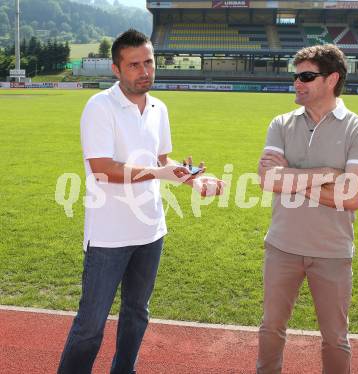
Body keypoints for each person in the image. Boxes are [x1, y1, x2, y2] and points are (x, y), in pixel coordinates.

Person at [58, 29, 223, 374]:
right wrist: (158, 173)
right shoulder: (100, 106)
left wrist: (193, 178)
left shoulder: (159, 108)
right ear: (116, 70)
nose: (144, 70)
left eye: (148, 62)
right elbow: (103, 169)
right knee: (91, 326)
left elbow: (162, 160)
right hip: (108, 236)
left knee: (137, 314)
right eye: (134, 65)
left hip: (151, 231)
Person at [257, 44, 358, 374]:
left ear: (332, 79)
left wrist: (291, 177)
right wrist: (325, 175)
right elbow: (267, 180)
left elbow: (353, 198)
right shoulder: (281, 123)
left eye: (306, 76)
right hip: (282, 246)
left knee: (335, 338)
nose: (297, 82)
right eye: (296, 76)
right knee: (270, 329)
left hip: (333, 252)